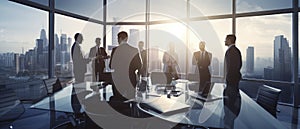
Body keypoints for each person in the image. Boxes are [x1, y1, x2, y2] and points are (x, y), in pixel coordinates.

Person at [109, 31, 142, 100]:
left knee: (118, 101)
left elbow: (111, 65)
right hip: (131, 79)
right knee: (131, 100)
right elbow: (139, 65)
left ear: (119, 39)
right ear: (126, 39)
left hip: (118, 80)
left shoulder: (115, 50)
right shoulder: (134, 50)